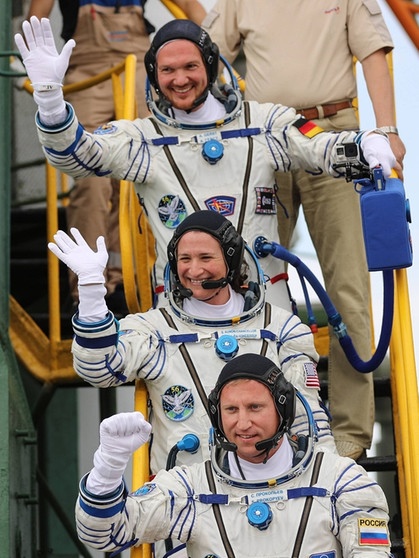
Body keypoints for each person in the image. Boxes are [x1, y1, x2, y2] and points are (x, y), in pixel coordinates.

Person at [15, 17, 397, 316]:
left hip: (268, 314)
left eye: (190, 67)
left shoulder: (263, 123)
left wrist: (366, 143)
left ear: (211, 67)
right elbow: (76, 156)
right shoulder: (143, 139)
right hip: (182, 319)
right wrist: (50, 100)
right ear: (154, 76)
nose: (180, 80)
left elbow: (320, 145)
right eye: (167, 71)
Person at [202, 0, 407, 460]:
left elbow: (374, 52)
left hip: (333, 135)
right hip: (267, 141)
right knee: (252, 285)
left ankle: (350, 436)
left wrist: (388, 128)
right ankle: (260, 425)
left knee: (348, 289)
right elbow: (206, 55)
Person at [48, 210, 336, 476]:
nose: (194, 270)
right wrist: (91, 292)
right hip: (184, 502)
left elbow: (308, 420)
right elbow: (98, 368)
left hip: (270, 488)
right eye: (185, 259)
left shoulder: (281, 328)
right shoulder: (154, 329)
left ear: (232, 259)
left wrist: (329, 481)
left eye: (206, 258)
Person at [75, 353, 392, 557]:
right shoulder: (191, 487)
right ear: (217, 417)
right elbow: (103, 534)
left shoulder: (342, 481)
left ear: (283, 409)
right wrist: (109, 464)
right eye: (231, 410)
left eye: (255, 407)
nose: (242, 423)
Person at [26, 0, 205, 314]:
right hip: (88, 68)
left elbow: (191, 6)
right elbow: (35, 17)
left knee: (144, 172)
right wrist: (33, 71)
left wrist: (210, 55)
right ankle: (90, 284)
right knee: (91, 178)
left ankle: (133, 278)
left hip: (136, 64)